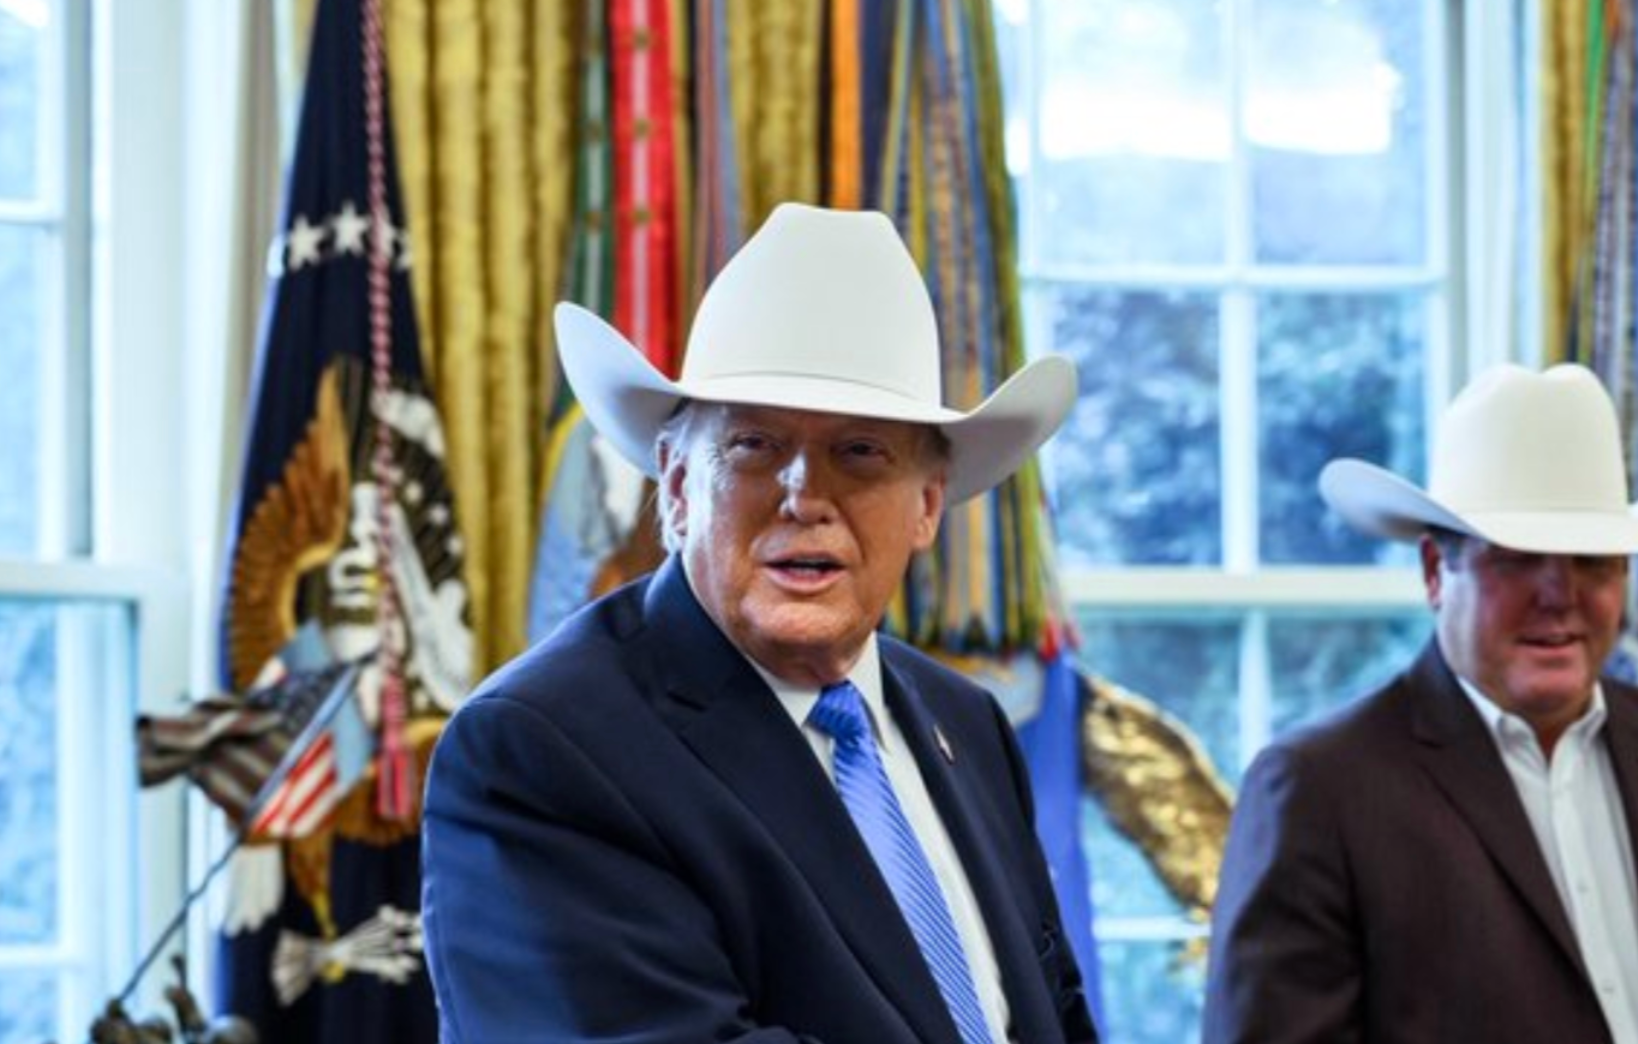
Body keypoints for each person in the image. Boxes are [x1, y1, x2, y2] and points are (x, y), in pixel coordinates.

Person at [421, 203, 1099, 1044]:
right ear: (674, 485)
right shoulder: (542, 749)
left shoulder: (966, 723)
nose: (803, 496)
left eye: (860, 452)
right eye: (753, 446)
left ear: (927, 505)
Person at [1203, 362, 1638, 1044]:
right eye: (1520, 557)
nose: (1561, 594)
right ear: (1437, 571)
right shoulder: (1322, 789)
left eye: (1593, 560)